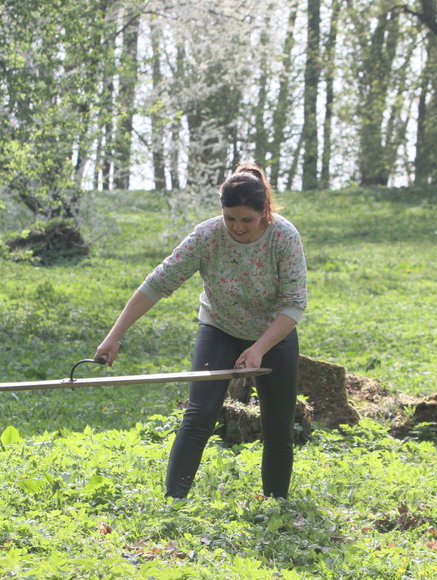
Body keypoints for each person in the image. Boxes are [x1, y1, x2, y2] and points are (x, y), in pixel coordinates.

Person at [93, 161, 307, 499]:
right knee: (199, 415)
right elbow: (157, 283)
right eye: (230, 218)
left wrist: (259, 348)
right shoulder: (207, 236)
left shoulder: (283, 237)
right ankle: (174, 502)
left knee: (278, 424)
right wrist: (115, 334)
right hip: (219, 327)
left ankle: (276, 506)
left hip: (272, 335)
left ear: (264, 211)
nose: (237, 228)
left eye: (246, 220)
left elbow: (294, 304)